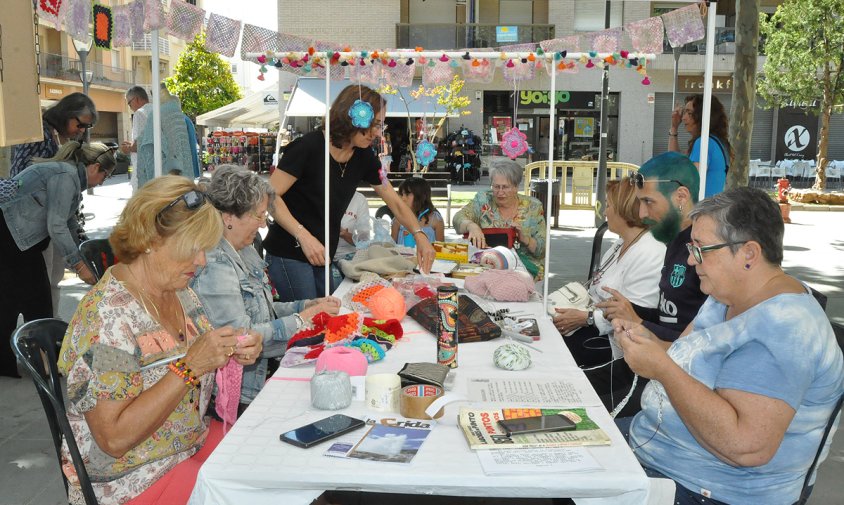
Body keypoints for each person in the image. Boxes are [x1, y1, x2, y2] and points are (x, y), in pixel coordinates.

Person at [614, 187, 844, 505]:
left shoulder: (784, 329)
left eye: (701, 249)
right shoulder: (726, 294)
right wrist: (645, 340)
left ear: (749, 253)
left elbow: (746, 447)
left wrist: (661, 369)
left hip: (709, 488)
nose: (692, 261)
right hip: (661, 449)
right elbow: (684, 358)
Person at [57, 176, 263, 505]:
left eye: (205, 248)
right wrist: (191, 367)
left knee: (265, 469)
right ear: (151, 239)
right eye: (192, 248)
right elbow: (114, 438)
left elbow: (198, 354)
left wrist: (232, 348)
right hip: (130, 476)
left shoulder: (178, 292)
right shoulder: (107, 321)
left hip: (186, 445)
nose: (202, 261)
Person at [262, 85, 435, 301]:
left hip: (324, 254)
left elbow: (395, 201)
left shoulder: (364, 157)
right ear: (352, 117)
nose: (378, 133)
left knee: (329, 318)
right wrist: (303, 235)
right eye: (374, 125)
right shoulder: (307, 147)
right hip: (289, 252)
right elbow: (268, 195)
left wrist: (419, 235)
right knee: (309, 322)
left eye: (381, 125)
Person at [191, 166, 341, 413]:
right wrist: (302, 319)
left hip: (260, 380)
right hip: (237, 397)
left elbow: (263, 311)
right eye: (258, 216)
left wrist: (305, 306)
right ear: (229, 217)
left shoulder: (244, 249)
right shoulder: (214, 263)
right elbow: (241, 338)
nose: (263, 225)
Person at [587, 152, 707, 417]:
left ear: (681, 197)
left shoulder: (702, 249)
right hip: (651, 365)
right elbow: (670, 314)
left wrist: (638, 321)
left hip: (675, 381)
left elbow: (701, 342)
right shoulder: (674, 241)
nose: (642, 213)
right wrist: (632, 311)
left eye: (648, 202)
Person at [1, 142, 113, 377]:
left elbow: (70, 223)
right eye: (105, 174)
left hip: (16, 237)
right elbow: (57, 226)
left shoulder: (69, 175)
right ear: (94, 167)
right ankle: (43, 363)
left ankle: (15, 363)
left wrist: (84, 254)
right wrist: (79, 266)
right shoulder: (66, 176)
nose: (104, 181)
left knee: (12, 301)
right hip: (11, 236)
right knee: (37, 302)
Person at [553, 178, 665, 368]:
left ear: (623, 209)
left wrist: (585, 318)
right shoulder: (622, 242)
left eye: (608, 205)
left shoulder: (651, 251)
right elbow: (597, 290)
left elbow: (636, 315)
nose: (605, 212)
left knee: (553, 350)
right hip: (596, 328)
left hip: (614, 345)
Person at [9, 92, 98, 317]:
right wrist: (78, 263)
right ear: (67, 115)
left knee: (52, 282)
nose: (82, 131)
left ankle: (51, 326)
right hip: (31, 225)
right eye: (80, 124)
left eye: (86, 127)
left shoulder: (57, 136)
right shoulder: (38, 133)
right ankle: (46, 332)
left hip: (45, 222)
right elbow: (23, 180)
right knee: (43, 285)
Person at [453, 159, 547, 280]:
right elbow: (457, 219)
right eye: (496, 187)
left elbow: (542, 250)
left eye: (505, 187)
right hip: (486, 269)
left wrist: (525, 239)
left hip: (525, 273)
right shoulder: (483, 200)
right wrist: (471, 226)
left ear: (516, 187)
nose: (500, 192)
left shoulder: (533, 207)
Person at [669, 94, 731, 197]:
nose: (683, 118)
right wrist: (674, 128)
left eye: (689, 113)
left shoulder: (703, 142)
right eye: (684, 112)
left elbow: (690, 181)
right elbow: (674, 160)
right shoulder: (716, 141)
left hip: (700, 208)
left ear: (702, 115)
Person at [391, 177, 445, 246]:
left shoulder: (436, 220)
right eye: (401, 194)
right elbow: (392, 247)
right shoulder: (398, 219)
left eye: (407, 194)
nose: (403, 198)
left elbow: (441, 248)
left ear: (421, 196)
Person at [119, 86, 151, 193]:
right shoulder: (157, 110)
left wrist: (128, 148)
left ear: (136, 99)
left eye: (129, 103)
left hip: (143, 171)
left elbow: (141, 145)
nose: (130, 107)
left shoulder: (140, 113)